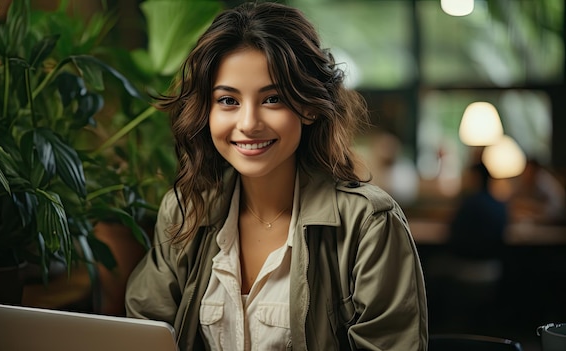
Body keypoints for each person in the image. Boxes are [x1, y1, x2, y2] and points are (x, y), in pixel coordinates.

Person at [125, 2, 428, 350]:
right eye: (228, 101)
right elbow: (143, 331)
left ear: (309, 106)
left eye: (272, 99)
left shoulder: (369, 224)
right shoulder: (184, 211)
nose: (249, 123)